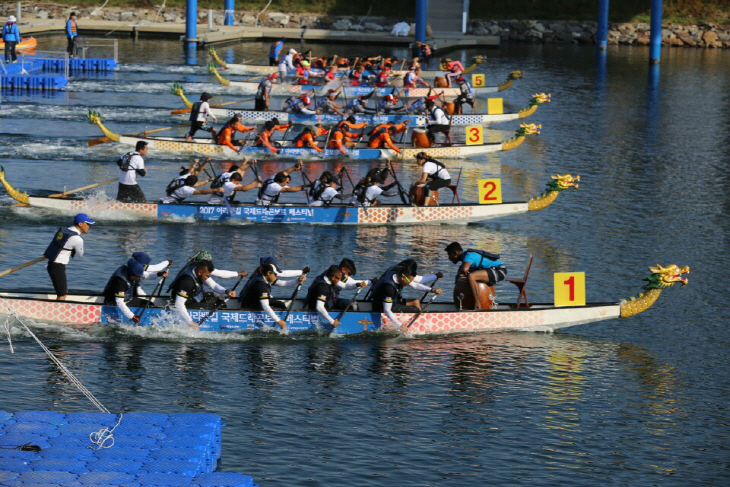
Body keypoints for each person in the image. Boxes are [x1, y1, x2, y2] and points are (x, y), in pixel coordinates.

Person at [368, 259, 442, 328]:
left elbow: (415, 285)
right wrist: (400, 326)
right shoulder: (389, 288)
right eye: (408, 282)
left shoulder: (398, 273)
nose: (409, 284)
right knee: (415, 308)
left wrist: (432, 290)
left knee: (416, 302)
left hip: (392, 300)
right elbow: (387, 310)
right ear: (403, 278)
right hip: (380, 307)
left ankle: (421, 321)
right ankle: (418, 325)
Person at [103, 256, 169, 324]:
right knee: (148, 305)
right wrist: (132, 316)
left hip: (127, 299)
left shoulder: (131, 270)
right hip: (113, 302)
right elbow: (119, 302)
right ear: (132, 273)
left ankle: (149, 320)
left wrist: (159, 274)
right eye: (136, 277)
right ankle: (146, 322)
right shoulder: (120, 281)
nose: (137, 278)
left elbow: (146, 275)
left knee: (149, 303)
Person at [239, 263, 306, 329]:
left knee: (281, 304)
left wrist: (297, 280)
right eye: (275, 274)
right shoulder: (261, 285)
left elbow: (283, 283)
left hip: (255, 301)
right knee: (279, 305)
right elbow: (265, 306)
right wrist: (279, 321)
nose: (276, 276)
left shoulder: (264, 277)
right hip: (250, 306)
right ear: (268, 273)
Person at [169, 260, 237, 325]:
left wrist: (226, 291)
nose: (208, 278)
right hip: (185, 304)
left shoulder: (198, 272)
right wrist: (190, 322)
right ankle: (221, 323)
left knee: (220, 298)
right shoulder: (187, 281)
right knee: (218, 305)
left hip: (194, 298)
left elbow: (213, 286)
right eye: (207, 276)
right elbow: (179, 304)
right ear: (200, 272)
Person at [44, 213, 94, 301]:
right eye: (87, 224)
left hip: (52, 264)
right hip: (57, 266)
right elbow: (80, 254)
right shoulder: (77, 239)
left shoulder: (65, 230)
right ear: (80, 224)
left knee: (63, 291)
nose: (89, 226)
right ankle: (57, 312)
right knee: (62, 294)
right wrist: (78, 244)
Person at [444, 242, 507, 310]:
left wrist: (462, 273)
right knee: (469, 274)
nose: (449, 258)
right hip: (493, 270)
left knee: (472, 276)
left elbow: (465, 269)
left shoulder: (468, 256)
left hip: (499, 270)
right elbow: (462, 271)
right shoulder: (465, 259)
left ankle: (477, 303)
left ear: (455, 253)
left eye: (449, 255)